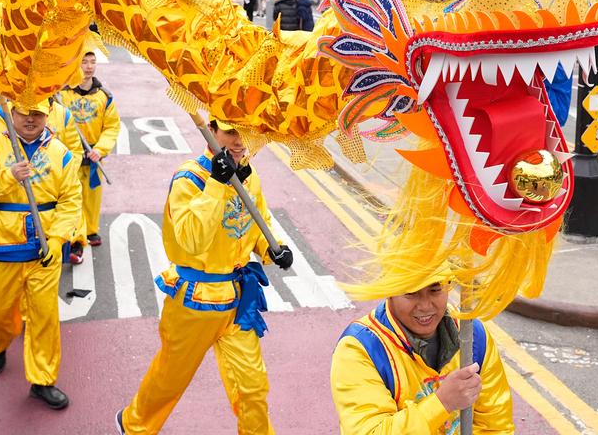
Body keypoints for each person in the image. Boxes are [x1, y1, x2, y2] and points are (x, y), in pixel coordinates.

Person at [117, 118, 294, 434]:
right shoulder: (190, 179)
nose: (240, 141)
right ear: (211, 131)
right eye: (230, 132)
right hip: (195, 302)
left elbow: (258, 221)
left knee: (253, 385)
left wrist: (274, 249)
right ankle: (134, 425)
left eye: (246, 133)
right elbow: (191, 240)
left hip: (240, 301)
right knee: (171, 378)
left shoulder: (248, 175)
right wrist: (216, 182)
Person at [0, 99, 81, 410]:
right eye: (24, 112)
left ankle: (43, 380)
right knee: (1, 312)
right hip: (0, 248)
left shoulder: (61, 154)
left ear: (47, 114)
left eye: (38, 113)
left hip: (42, 250)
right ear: (11, 113)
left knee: (44, 317)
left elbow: (71, 202)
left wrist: (57, 240)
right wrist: (7, 177)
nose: (30, 119)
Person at [329, 277, 514, 435]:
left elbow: (496, 425)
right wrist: (442, 402)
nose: (425, 306)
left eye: (435, 290)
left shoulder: (474, 337)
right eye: (411, 293)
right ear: (390, 290)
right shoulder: (359, 349)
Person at [57, 46, 120, 261]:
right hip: (69, 156)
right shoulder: (61, 96)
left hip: (93, 155)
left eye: (92, 62)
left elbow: (112, 127)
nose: (89, 67)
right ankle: (76, 240)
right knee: (72, 198)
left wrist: (100, 149)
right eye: (84, 62)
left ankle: (90, 228)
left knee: (92, 198)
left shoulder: (104, 96)